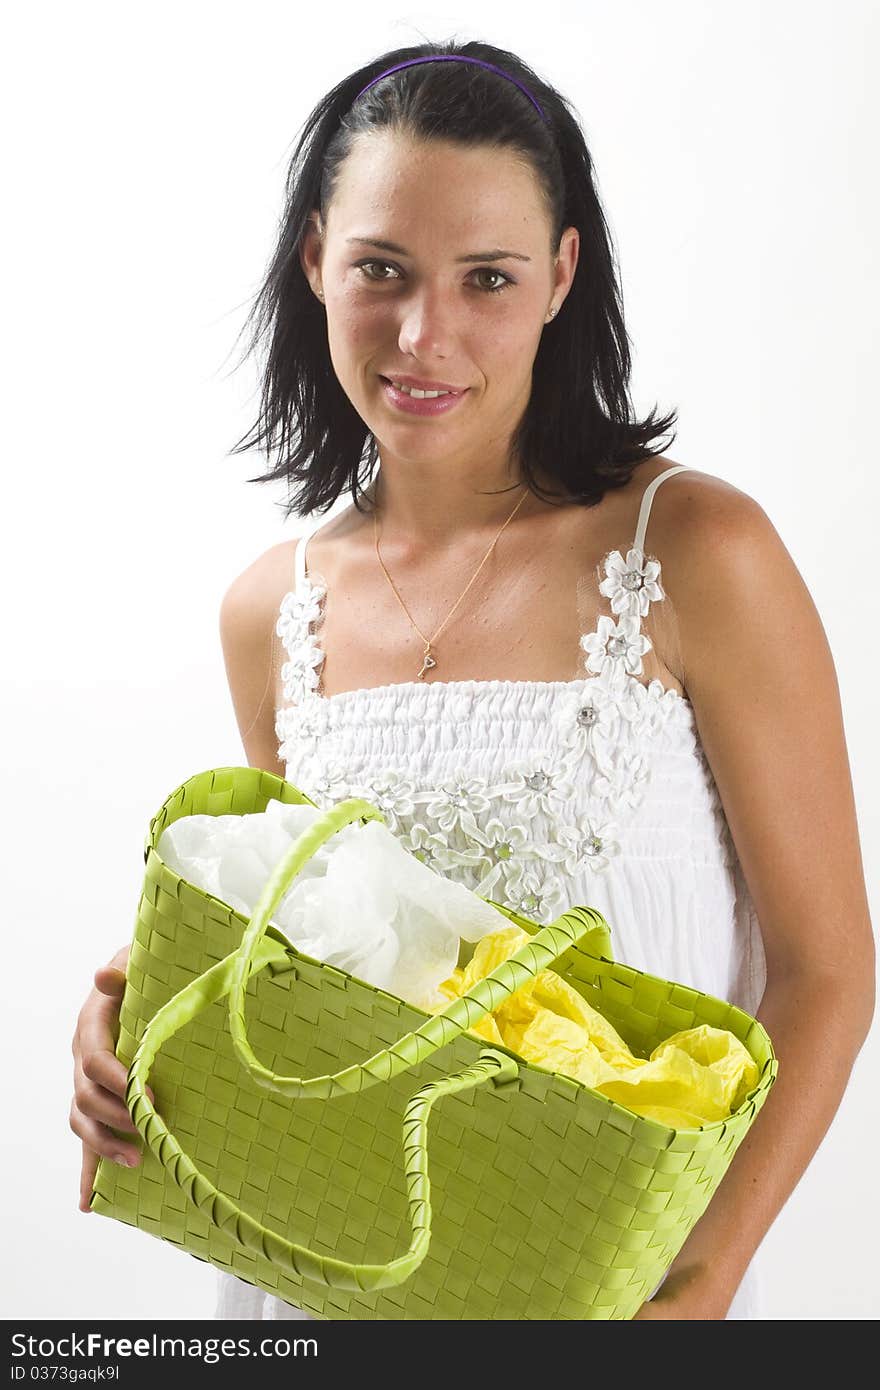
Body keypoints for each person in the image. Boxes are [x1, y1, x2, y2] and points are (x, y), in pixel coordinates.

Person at [70, 39, 874, 1322]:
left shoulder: (696, 553)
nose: (422, 333)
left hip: (601, 1295)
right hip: (304, 1284)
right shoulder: (271, 612)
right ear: (316, 260)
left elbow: (828, 968)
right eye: (379, 270)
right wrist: (127, 1012)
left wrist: (709, 1273)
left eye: (486, 278)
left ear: (560, 276)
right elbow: (309, 950)